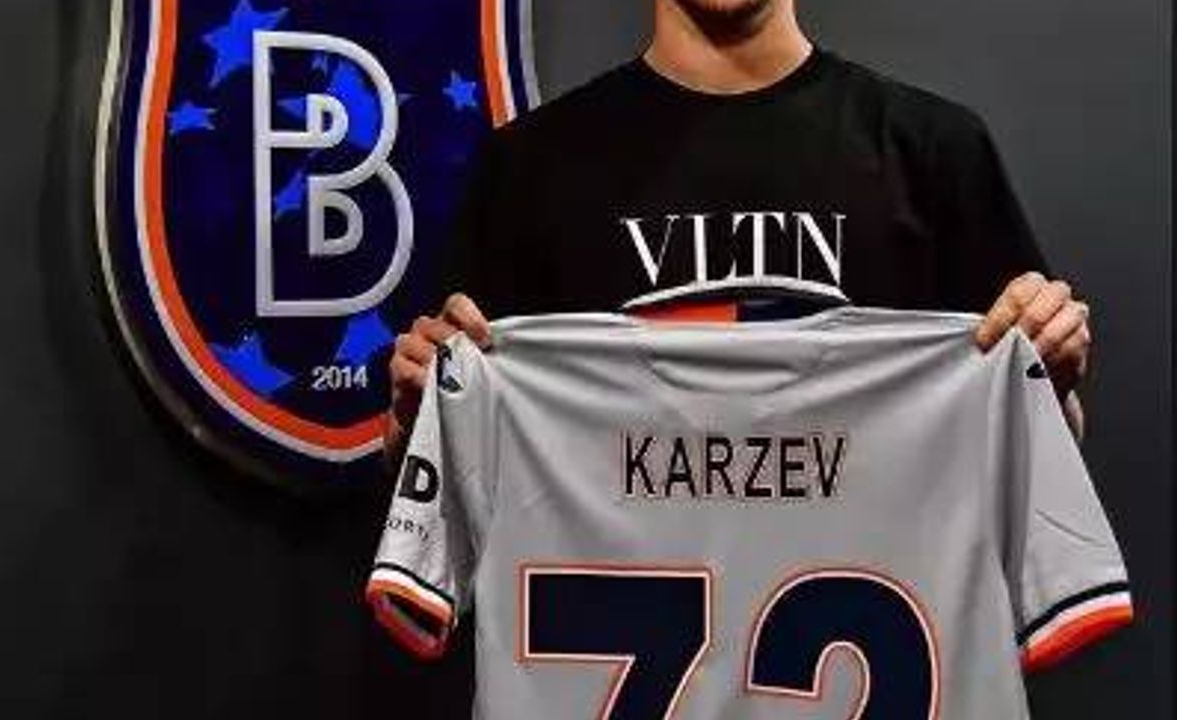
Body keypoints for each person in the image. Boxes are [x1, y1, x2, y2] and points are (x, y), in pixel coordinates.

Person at [386, 0, 1092, 467]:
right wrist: (420, 419)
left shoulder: (934, 151)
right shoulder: (529, 168)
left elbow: (1046, 445)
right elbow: (435, 476)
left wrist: (1046, 380)